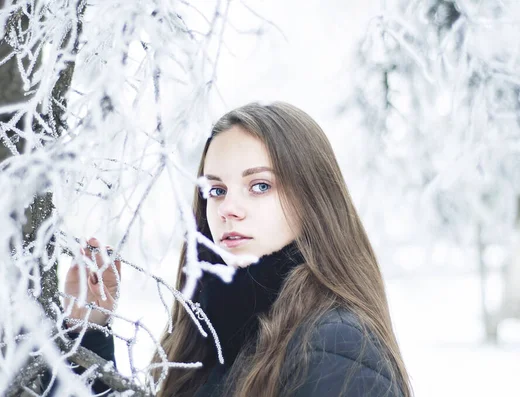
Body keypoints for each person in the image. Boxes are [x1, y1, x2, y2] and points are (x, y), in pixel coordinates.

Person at [61, 102, 413, 397]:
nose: (229, 208)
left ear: (313, 199)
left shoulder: (336, 343)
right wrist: (88, 330)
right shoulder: (207, 330)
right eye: (217, 190)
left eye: (259, 185)